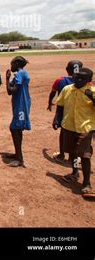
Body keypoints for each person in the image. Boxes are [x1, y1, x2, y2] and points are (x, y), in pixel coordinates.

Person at [53, 68, 95, 198]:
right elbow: (60, 105)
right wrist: (57, 119)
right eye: (77, 77)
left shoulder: (92, 92)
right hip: (69, 126)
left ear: (89, 81)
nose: (78, 80)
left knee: (85, 155)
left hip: (85, 128)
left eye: (82, 78)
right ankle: (75, 172)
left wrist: (91, 98)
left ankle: (87, 182)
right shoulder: (67, 89)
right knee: (72, 153)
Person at [47, 60, 83, 163]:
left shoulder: (60, 81)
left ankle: (62, 154)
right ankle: (75, 157)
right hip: (80, 113)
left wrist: (49, 103)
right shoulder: (85, 81)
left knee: (64, 133)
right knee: (78, 135)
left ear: (67, 70)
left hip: (64, 112)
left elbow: (52, 93)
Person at [5, 56, 31, 168]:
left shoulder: (21, 74)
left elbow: (12, 90)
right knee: (16, 129)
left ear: (16, 63)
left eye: (12, 64)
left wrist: (7, 79)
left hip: (21, 105)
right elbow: (10, 90)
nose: (11, 67)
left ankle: (20, 159)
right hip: (19, 103)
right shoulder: (20, 74)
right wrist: (9, 81)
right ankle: (17, 154)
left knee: (15, 129)